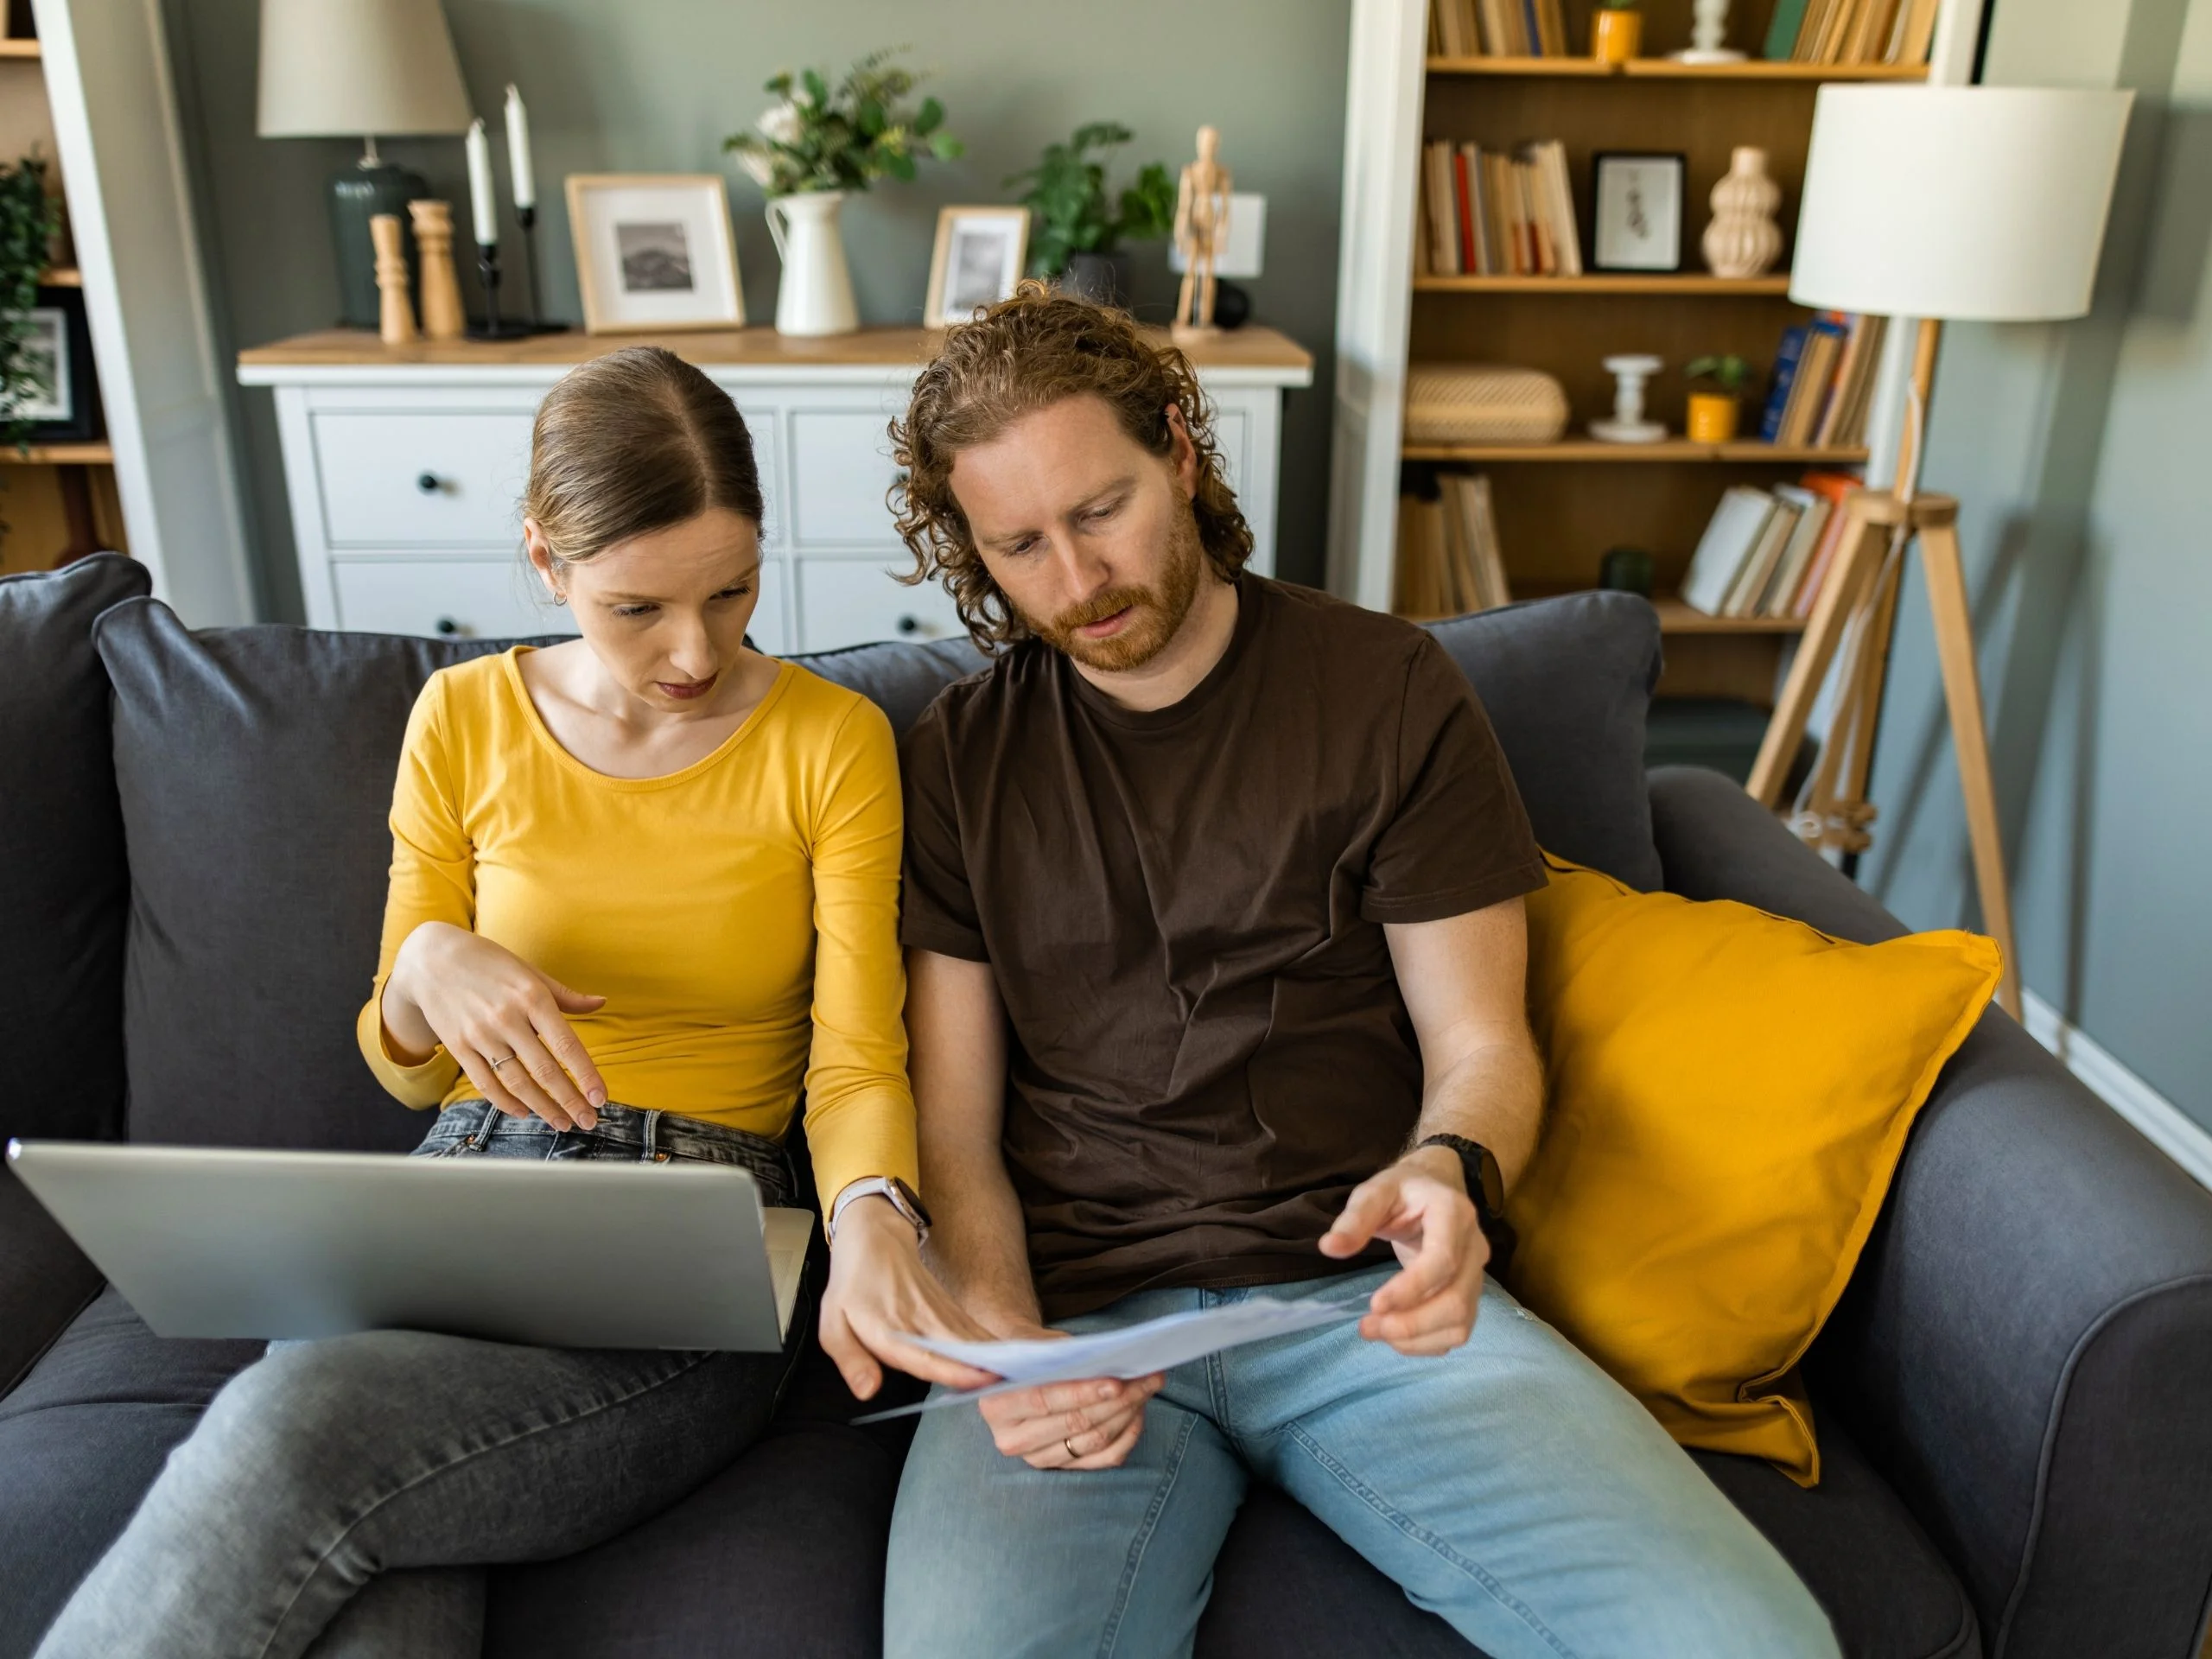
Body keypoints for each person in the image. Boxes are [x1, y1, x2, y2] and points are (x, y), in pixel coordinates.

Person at [878, 289, 1841, 1659]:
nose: (1076, 582)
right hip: (1083, 1318)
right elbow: (953, 1131)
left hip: (1357, 1298)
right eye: (1019, 545)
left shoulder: (1389, 690)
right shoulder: (961, 758)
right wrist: (1012, 1347)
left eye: (1101, 512)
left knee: (1751, 1647)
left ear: (1180, 451)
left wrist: (1450, 1173)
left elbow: (1482, 1050)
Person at [36, 346, 991, 1659]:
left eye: (732, 591)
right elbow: (406, 1068)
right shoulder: (463, 717)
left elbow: (854, 1061)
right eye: (637, 608)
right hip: (454, 1194)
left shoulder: (829, 741)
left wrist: (876, 1211)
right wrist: (427, 967)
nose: (695, 651)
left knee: (288, 1425)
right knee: (377, 1577)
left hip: (689, 1238)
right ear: (546, 562)